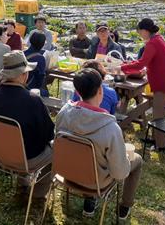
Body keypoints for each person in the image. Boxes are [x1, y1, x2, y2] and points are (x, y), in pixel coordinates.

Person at [56, 68, 143, 220]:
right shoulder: (110, 128)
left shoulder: (63, 113)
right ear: (100, 91)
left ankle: (90, 202)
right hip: (95, 182)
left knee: (91, 156)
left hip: (66, 173)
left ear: (77, 91)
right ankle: (124, 207)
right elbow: (120, 173)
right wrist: (125, 159)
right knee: (137, 160)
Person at [0, 51, 55, 198]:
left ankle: (22, 183)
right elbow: (48, 134)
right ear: (24, 75)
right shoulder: (33, 100)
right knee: (54, 152)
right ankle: (38, 194)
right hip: (27, 158)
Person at [121, 18, 165, 151]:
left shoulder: (153, 43)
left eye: (139, 32)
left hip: (163, 83)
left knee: (159, 115)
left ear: (145, 30)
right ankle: (155, 138)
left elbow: (141, 63)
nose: (139, 35)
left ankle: (161, 146)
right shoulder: (159, 38)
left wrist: (122, 67)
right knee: (159, 112)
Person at [24, 31, 47, 96]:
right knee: (45, 93)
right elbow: (40, 82)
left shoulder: (22, 53)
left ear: (30, 40)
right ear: (43, 44)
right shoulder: (40, 58)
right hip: (29, 90)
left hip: (18, 87)